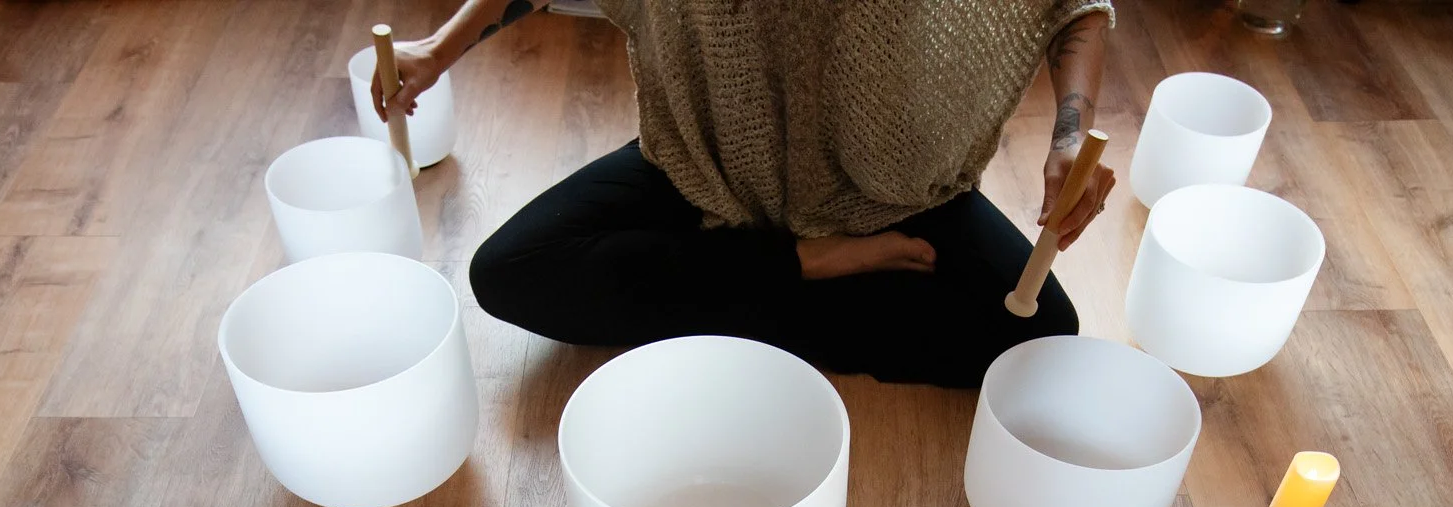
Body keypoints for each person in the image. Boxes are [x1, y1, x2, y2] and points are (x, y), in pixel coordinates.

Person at [376, 1, 1115, 389]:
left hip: (885, 183)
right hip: (707, 155)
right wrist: (437, 50)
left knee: (1038, 332)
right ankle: (807, 264)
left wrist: (1070, 134)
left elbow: (1075, 4)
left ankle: (740, 286)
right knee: (511, 271)